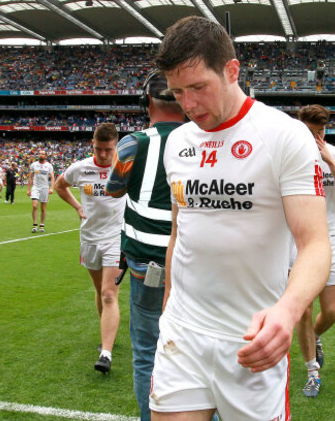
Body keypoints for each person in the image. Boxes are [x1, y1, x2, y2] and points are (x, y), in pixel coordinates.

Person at [150, 15, 331, 421]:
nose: (189, 104)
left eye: (198, 87)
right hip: (183, 334)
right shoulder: (177, 142)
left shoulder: (284, 136)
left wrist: (287, 311)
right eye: (178, 92)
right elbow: (180, 234)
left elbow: (315, 244)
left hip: (252, 342)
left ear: (232, 71)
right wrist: (167, 314)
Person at [105, 72, 184, 420]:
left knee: (146, 354)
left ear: (147, 103)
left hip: (146, 265)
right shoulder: (206, 138)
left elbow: (113, 189)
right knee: (199, 355)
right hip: (193, 264)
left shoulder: (132, 144)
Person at [294, 105, 335, 398]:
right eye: (310, 132)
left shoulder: (333, 153)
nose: (315, 138)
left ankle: (316, 337)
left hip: (328, 239)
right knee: (303, 308)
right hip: (294, 242)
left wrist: (330, 160)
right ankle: (312, 372)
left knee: (332, 311)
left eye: (320, 132)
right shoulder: (287, 152)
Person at [55, 123, 126, 374]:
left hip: (117, 238)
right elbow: (59, 185)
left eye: (108, 149)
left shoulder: (126, 167)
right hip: (89, 238)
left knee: (109, 293)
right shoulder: (81, 168)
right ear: (92, 145)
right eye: (98, 149)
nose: (103, 154)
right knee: (99, 291)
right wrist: (77, 207)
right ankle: (107, 333)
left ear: (116, 145)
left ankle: (105, 353)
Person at [27, 150, 55, 233]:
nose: (41, 155)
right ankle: (35, 225)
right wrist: (28, 189)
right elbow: (30, 177)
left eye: (43, 154)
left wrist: (51, 188)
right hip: (35, 187)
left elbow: (52, 178)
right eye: (40, 153)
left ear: (45, 156)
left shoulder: (49, 166)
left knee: (43, 208)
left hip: (45, 188)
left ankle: (42, 224)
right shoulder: (34, 165)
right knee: (35, 205)